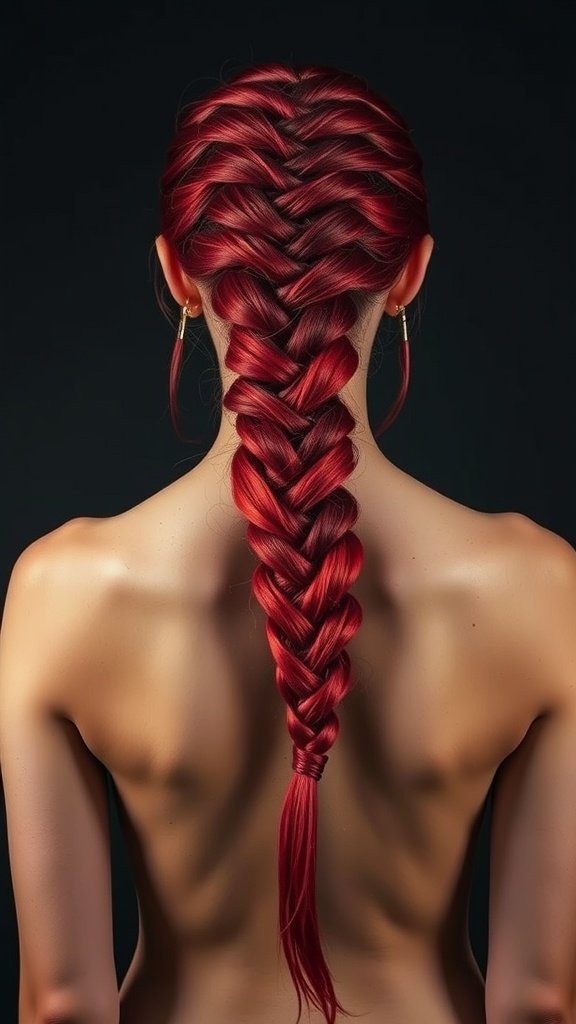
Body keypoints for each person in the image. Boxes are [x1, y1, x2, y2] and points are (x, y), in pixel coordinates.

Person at [1, 60, 576, 1024]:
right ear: (408, 275)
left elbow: (63, 1007)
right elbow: (541, 1002)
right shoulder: (541, 590)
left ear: (179, 273)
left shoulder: (62, 592)